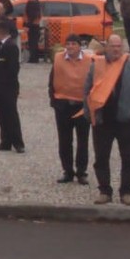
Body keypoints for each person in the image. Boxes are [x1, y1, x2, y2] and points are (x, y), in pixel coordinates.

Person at [83, 35, 130, 206]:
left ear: (123, 47)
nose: (116, 49)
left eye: (119, 46)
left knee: (128, 158)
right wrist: (90, 114)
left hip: (127, 122)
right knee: (101, 158)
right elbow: (87, 90)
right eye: (113, 46)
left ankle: (126, 191)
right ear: (107, 47)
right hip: (103, 122)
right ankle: (105, 191)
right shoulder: (96, 67)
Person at [47, 35, 93, 185]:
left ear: (80, 46)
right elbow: (51, 80)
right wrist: (54, 101)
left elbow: (94, 81)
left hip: (82, 105)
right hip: (63, 105)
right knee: (65, 140)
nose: (71, 46)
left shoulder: (89, 60)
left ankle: (81, 172)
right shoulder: (58, 58)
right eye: (68, 44)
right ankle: (67, 171)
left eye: (74, 44)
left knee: (82, 140)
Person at [0, 20, 25, 153]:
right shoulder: (1, 46)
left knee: (10, 115)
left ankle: (18, 142)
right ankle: (5, 141)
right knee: (1, 115)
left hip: (8, 87)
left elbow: (12, 68)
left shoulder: (10, 46)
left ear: (0, 32)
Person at [24, 0, 42, 64]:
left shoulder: (32, 2)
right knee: (34, 42)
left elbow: (31, 15)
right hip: (35, 24)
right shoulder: (36, 1)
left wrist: (28, 25)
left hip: (32, 25)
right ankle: (35, 58)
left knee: (32, 42)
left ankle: (33, 59)